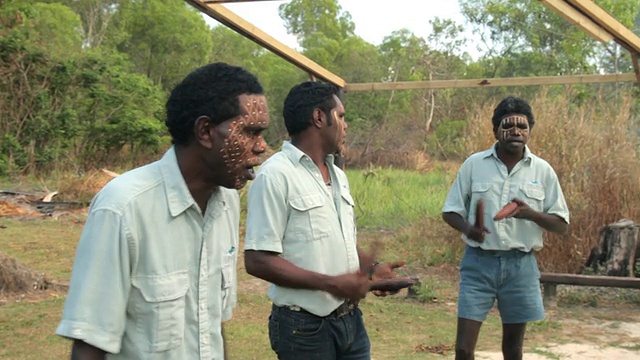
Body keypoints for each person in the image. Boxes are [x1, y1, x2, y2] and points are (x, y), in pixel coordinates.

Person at [55, 62, 270, 359]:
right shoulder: (123, 208)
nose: (262, 147)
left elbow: (210, 327)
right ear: (205, 131)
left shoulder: (227, 202)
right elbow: (90, 345)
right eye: (251, 132)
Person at [243, 81, 408, 360]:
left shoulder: (338, 175)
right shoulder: (275, 176)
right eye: (341, 117)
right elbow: (258, 259)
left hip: (350, 322)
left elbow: (331, 237)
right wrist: (331, 284)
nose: (346, 125)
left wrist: (371, 269)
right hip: (303, 328)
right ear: (320, 117)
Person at [442, 96, 570, 360]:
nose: (515, 132)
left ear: (530, 131)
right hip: (479, 264)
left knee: (513, 349)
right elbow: (450, 211)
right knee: (464, 349)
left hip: (520, 266)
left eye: (522, 127)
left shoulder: (543, 171)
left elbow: (561, 225)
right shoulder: (474, 165)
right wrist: (470, 229)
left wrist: (529, 214)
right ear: (495, 130)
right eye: (507, 126)